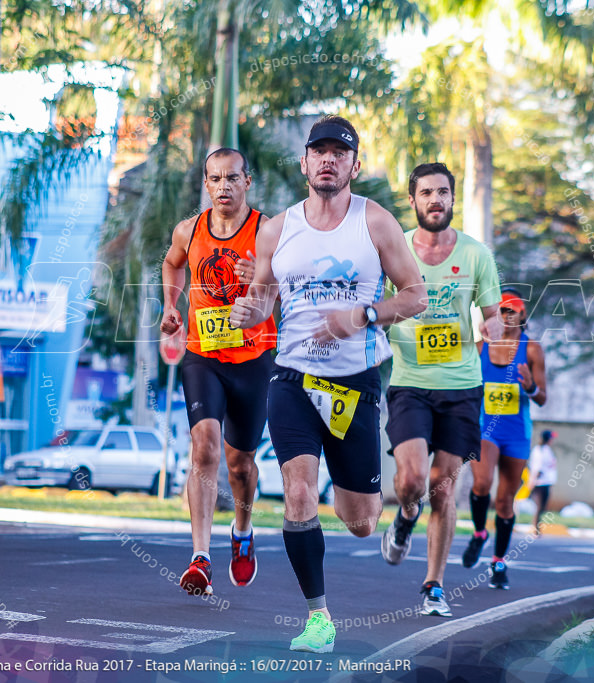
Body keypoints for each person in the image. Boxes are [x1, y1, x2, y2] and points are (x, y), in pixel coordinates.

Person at [229, 115, 426, 653]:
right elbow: (263, 299)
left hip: (354, 383)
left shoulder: (376, 222)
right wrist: (250, 311)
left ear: (353, 165)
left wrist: (362, 315)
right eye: (319, 151)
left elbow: (415, 295)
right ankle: (319, 618)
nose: (328, 159)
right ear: (305, 164)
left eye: (339, 152)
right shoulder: (278, 228)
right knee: (297, 491)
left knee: (360, 520)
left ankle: (405, 512)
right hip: (291, 376)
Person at [380, 162, 503, 618]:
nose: (436, 200)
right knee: (412, 482)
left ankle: (433, 585)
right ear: (412, 201)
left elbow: (491, 311)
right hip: (410, 383)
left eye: (443, 192)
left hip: (462, 389)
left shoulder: (475, 255)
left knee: (444, 490)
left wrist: (493, 329)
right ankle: (405, 516)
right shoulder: (395, 251)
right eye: (427, 193)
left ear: (453, 199)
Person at [160, 148, 277, 597]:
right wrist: (171, 307)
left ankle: (243, 531)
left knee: (239, 464)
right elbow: (172, 264)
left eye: (232, 178)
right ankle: (201, 557)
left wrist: (263, 275)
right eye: (215, 179)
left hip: (253, 360)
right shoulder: (188, 231)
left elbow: (291, 291)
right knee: (204, 446)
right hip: (203, 355)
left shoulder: (267, 232)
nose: (223, 187)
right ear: (205, 185)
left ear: (248, 182)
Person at [462, 289, 547, 590]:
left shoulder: (532, 350)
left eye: (512, 310)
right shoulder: (479, 347)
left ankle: (498, 561)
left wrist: (530, 387)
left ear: (523, 315)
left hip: (517, 433)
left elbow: (542, 398)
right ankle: (479, 533)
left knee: (505, 500)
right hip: (485, 429)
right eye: (501, 311)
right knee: (482, 483)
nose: (506, 316)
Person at [526, 429, 558, 535]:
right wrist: (532, 481)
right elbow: (537, 468)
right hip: (539, 483)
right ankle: (536, 529)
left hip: (546, 482)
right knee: (539, 506)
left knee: (542, 507)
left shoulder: (547, 450)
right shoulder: (539, 450)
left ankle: (537, 528)